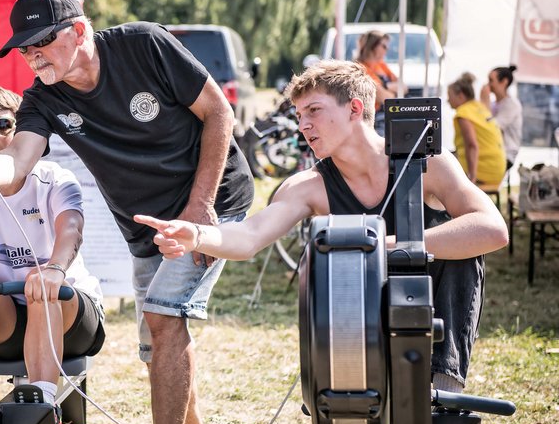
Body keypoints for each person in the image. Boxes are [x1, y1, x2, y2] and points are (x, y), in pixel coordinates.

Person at [0, 0, 254, 424]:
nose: (33, 58)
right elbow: (16, 166)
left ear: (79, 31)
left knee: (165, 319)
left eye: (41, 44)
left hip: (211, 202)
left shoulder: (145, 46)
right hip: (144, 224)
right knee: (155, 337)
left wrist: (199, 209)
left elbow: (219, 113)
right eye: (24, 50)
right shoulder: (43, 98)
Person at [135, 60, 508, 396]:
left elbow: (492, 228)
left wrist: (388, 247)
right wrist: (197, 234)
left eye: (314, 110)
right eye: (299, 115)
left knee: (464, 253)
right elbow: (250, 237)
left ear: (355, 109)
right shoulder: (308, 186)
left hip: (430, 292)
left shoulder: (426, 162)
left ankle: (445, 394)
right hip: (360, 309)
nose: (304, 125)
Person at [0, 85, 105, 415]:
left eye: (2, 125)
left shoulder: (53, 177)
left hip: (68, 311)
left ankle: (41, 408)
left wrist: (55, 268)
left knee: (40, 282)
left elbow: (71, 229)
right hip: (9, 318)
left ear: (22, 130)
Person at [448, 73, 507, 186]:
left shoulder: (463, 113)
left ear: (460, 96)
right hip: (498, 169)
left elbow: (471, 145)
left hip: (484, 172)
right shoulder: (479, 107)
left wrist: (472, 176)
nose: (447, 100)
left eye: (449, 96)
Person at [355, 30, 404, 136]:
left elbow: (403, 87)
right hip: (374, 117)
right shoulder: (361, 68)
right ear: (373, 46)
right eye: (384, 47)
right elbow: (385, 98)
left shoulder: (380, 64)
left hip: (386, 113)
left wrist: (385, 86)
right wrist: (393, 90)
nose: (387, 50)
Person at [480, 65, 523, 168]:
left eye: (491, 80)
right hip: (491, 152)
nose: (488, 84)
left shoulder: (512, 105)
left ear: (504, 82)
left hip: (506, 155)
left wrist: (485, 102)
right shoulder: (494, 104)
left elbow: (493, 128)